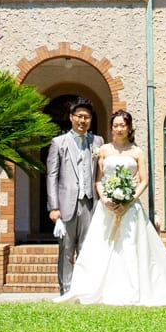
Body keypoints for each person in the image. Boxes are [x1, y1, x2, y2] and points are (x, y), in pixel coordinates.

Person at [56, 110, 166, 306]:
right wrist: (106, 200)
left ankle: (133, 290)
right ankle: (98, 290)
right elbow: (98, 180)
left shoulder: (137, 152)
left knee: (130, 248)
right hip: (106, 209)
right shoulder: (104, 150)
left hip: (130, 208)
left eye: (122, 125)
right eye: (115, 125)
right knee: (102, 249)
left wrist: (128, 200)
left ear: (129, 128)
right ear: (111, 128)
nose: (119, 129)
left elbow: (144, 181)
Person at [46, 97, 103, 295]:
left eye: (86, 117)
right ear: (71, 117)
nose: (82, 120)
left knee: (88, 249)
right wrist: (54, 207)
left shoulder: (97, 142)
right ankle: (66, 290)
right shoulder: (58, 142)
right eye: (79, 116)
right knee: (67, 250)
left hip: (90, 204)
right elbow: (52, 175)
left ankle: (86, 289)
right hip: (66, 205)